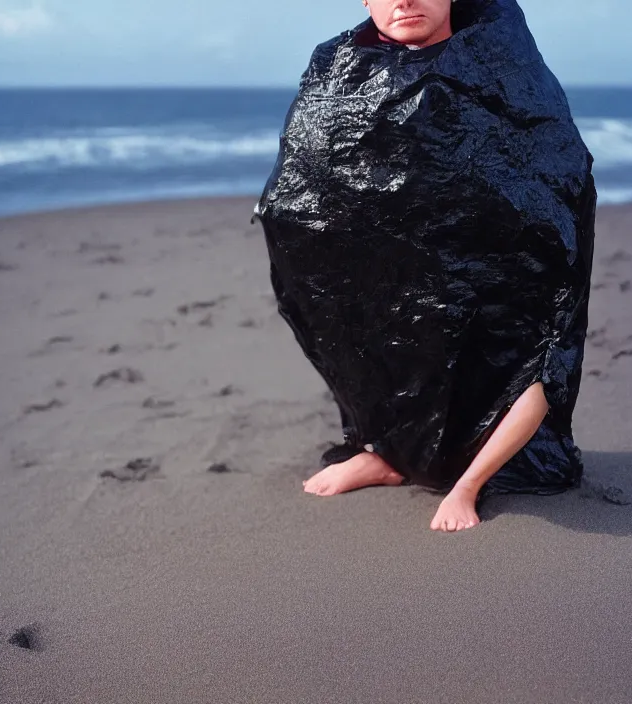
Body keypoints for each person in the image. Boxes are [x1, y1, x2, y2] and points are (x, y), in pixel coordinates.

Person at [253, 0, 595, 533]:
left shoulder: (503, 60)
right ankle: (384, 454)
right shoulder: (338, 64)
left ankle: (467, 485)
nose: (404, 0)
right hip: (397, 266)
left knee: (538, 356)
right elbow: (311, 162)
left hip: (500, 265)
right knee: (363, 328)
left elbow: (551, 158)